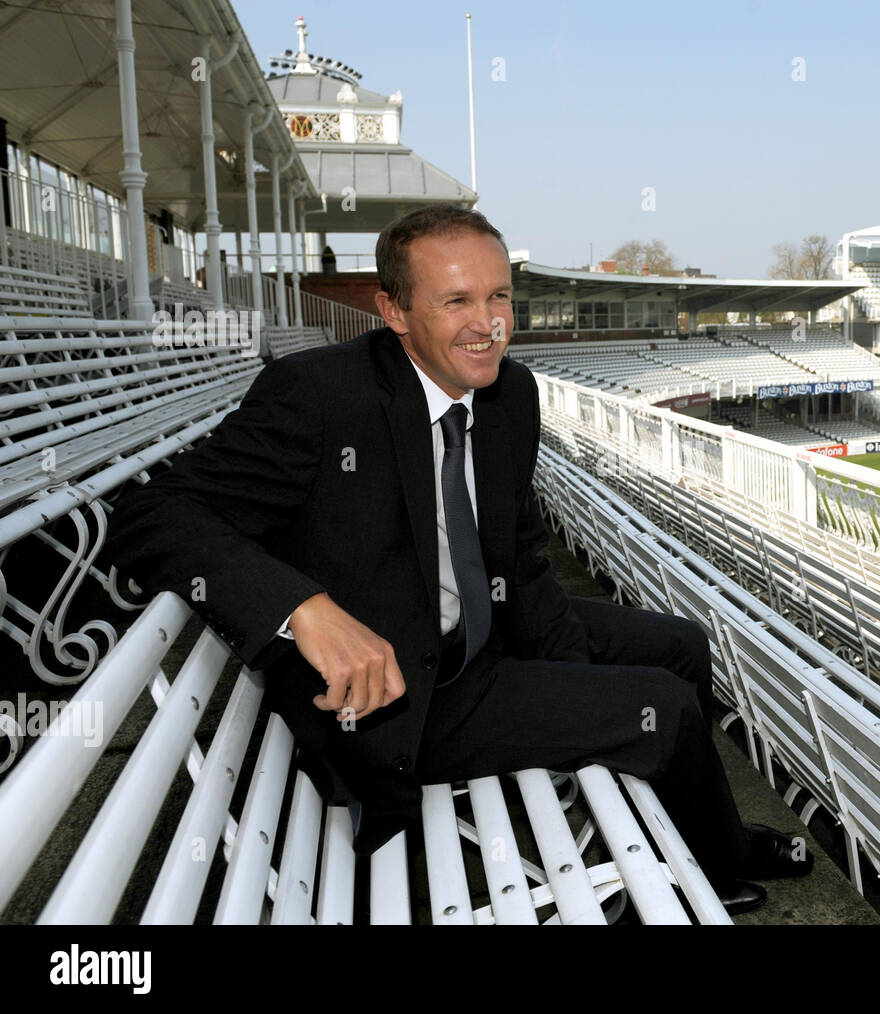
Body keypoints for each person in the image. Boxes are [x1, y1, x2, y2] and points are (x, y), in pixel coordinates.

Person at [104, 205, 810, 917]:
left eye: (499, 295)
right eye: (457, 301)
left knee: (679, 645)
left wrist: (568, 673)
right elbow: (151, 513)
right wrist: (303, 611)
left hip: (484, 630)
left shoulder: (509, 393)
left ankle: (692, 832)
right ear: (396, 310)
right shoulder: (318, 396)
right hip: (404, 698)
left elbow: (523, 556)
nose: (489, 323)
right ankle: (717, 862)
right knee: (665, 705)